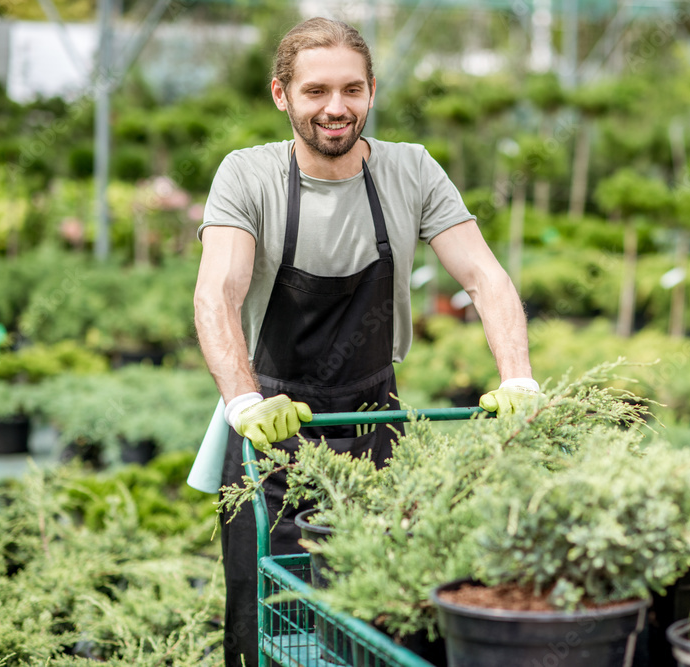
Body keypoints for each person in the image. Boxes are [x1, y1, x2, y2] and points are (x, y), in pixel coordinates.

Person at [193, 17, 537, 667]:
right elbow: (218, 292)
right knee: (262, 612)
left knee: (378, 613)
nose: (336, 108)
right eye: (316, 90)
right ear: (280, 95)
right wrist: (243, 401)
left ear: (372, 91)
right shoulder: (248, 176)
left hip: (375, 421)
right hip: (272, 428)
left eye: (352, 90)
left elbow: (484, 276)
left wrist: (517, 374)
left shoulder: (410, 170)